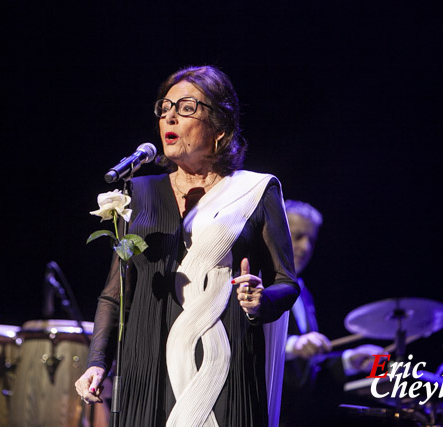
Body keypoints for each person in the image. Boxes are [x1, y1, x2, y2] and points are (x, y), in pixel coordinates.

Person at [75, 65, 300, 426]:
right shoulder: (139, 192)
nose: (170, 116)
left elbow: (287, 282)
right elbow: (115, 293)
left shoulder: (256, 191)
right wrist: (98, 361)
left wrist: (263, 300)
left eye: (186, 108)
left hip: (222, 366)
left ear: (220, 129)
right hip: (145, 367)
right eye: (164, 108)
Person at [280, 200, 383, 426]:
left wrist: (349, 360)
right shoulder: (258, 287)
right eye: (298, 237)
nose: (306, 247)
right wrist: (293, 345)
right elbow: (245, 345)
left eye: (311, 240)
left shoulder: (304, 294)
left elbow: (306, 368)